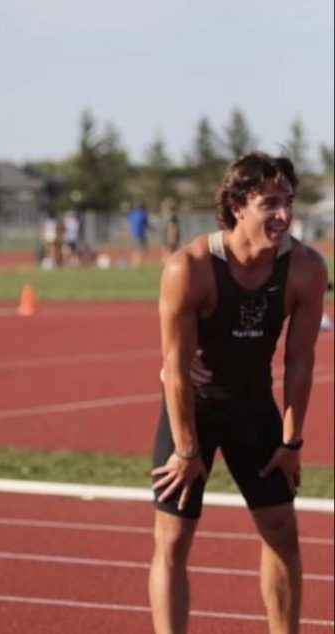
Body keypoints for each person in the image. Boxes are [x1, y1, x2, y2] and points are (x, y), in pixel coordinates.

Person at [149, 152, 328, 633]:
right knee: (173, 538)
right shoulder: (189, 268)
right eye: (270, 203)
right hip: (193, 406)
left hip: (253, 408)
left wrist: (291, 442)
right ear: (237, 206)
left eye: (289, 201)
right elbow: (176, 367)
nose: (284, 214)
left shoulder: (307, 268)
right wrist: (186, 448)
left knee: (281, 531)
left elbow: (300, 360)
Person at [160, 197, 181, 263]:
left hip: (169, 238)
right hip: (168, 238)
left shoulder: (171, 216)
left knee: (169, 254)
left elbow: (172, 228)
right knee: (169, 254)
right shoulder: (169, 216)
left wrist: (172, 238)